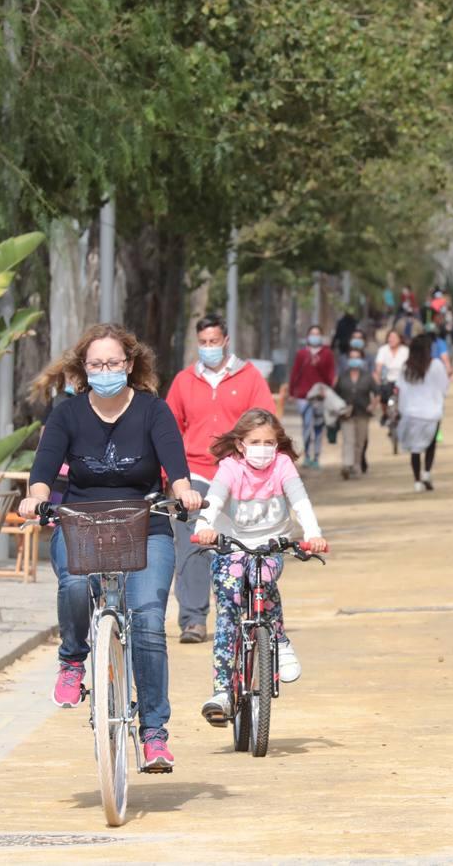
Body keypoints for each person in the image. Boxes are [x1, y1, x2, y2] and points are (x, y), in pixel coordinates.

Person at [20, 323, 203, 772]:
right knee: (75, 586)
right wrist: (36, 497)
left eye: (114, 363)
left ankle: (155, 733)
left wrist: (184, 491)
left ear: (130, 364)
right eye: (96, 364)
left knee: (148, 621)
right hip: (82, 523)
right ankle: (72, 661)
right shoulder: (66, 414)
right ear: (83, 368)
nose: (105, 370)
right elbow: (43, 469)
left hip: (147, 525)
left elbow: (175, 467)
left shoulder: (152, 411)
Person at [192, 409, 329, 723]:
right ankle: (223, 690)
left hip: (270, 545)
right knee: (227, 608)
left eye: (270, 442)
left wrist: (313, 534)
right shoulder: (230, 468)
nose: (263, 448)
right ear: (240, 444)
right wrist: (204, 527)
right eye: (255, 441)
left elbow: (300, 502)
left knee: (265, 578)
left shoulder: (282, 466)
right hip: (231, 546)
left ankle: (279, 639)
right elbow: (213, 500)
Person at [165, 314, 275, 644]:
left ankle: (241, 610)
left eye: (214, 342)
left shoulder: (250, 377)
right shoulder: (184, 381)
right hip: (195, 473)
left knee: (237, 546)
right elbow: (170, 432)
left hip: (239, 474)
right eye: (203, 343)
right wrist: (171, 478)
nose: (209, 348)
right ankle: (193, 620)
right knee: (193, 544)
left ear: (226, 341)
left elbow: (265, 424)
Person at [396, 333, 449, 492]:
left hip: (412, 413)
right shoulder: (437, 365)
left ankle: (417, 481)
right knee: (431, 444)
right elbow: (444, 387)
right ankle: (427, 472)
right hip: (432, 413)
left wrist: (402, 410)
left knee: (415, 448)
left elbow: (401, 390)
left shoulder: (406, 367)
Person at [289, 325, 336, 468]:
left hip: (319, 396)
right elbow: (295, 373)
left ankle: (316, 457)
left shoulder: (327, 354)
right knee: (306, 425)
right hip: (303, 396)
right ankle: (307, 456)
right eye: (312, 333)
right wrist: (292, 392)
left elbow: (330, 376)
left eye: (317, 334)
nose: (314, 336)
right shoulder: (301, 354)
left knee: (318, 427)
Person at [335, 344, 377, 479]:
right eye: (352, 358)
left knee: (360, 441)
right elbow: (335, 394)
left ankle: (356, 465)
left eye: (357, 358)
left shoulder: (367, 377)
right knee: (348, 440)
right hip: (346, 414)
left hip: (363, 413)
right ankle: (346, 465)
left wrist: (373, 405)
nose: (354, 360)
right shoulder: (342, 377)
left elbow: (377, 392)